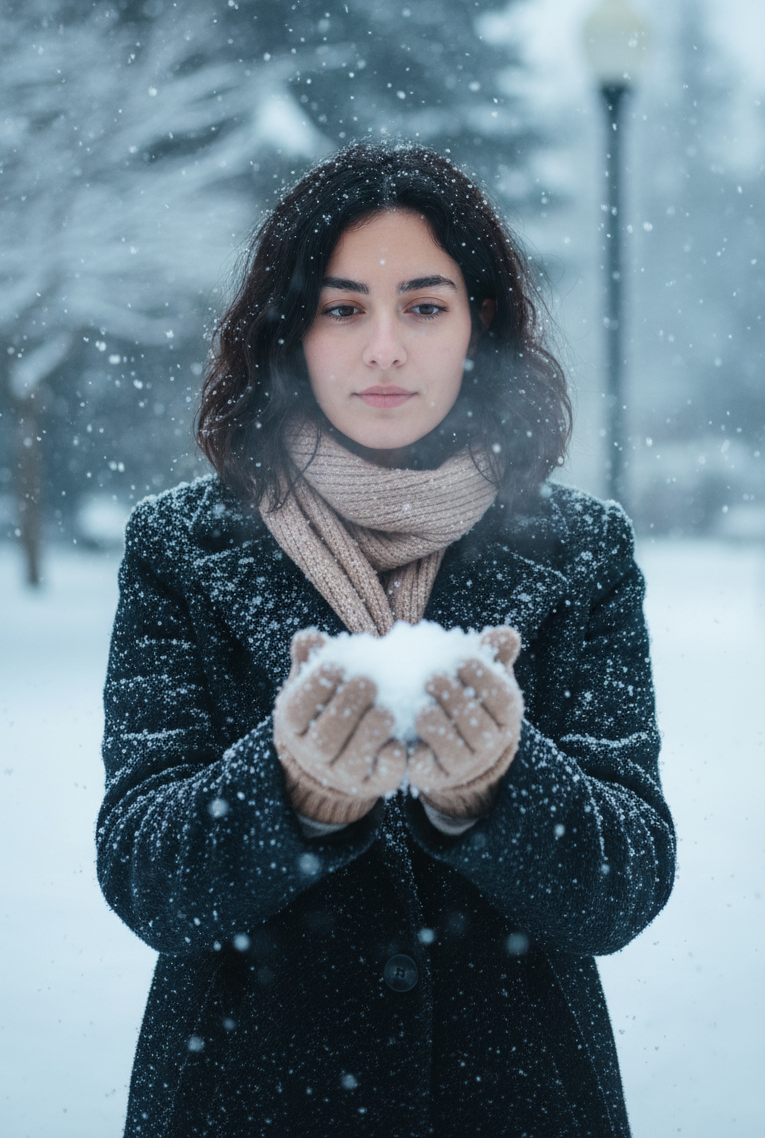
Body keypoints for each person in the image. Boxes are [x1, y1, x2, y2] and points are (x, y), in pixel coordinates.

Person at [97, 142, 675, 1138]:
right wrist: (290, 790)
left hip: (518, 1100)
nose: (384, 350)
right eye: (341, 309)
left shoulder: (583, 552)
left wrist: (499, 786)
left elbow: (624, 884)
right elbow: (146, 877)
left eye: (423, 306)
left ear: (479, 322)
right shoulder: (179, 551)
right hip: (245, 1097)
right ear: (290, 330)